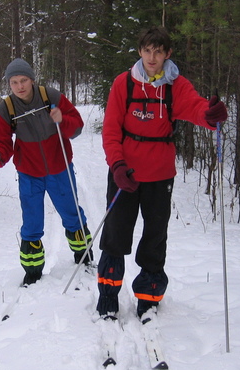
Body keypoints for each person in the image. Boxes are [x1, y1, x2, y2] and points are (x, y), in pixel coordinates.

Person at [96, 26, 228, 320]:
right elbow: (111, 129)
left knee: (155, 236)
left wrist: (211, 113)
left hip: (159, 174)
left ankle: (149, 295)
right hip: (124, 173)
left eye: (158, 51)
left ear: (167, 54)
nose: (152, 57)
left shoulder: (175, 85)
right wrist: (116, 165)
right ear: (140, 52)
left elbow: (194, 107)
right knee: (116, 234)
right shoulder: (124, 84)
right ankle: (107, 295)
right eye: (147, 51)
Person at [0, 58, 92, 286]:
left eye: (23, 80)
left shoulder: (50, 97)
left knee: (71, 212)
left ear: (32, 79)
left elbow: (77, 125)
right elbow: (0, 140)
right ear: (9, 84)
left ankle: (84, 255)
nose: (20, 86)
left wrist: (62, 120)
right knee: (32, 222)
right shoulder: (7, 108)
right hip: (29, 172)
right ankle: (32, 270)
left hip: (59, 166)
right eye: (14, 82)